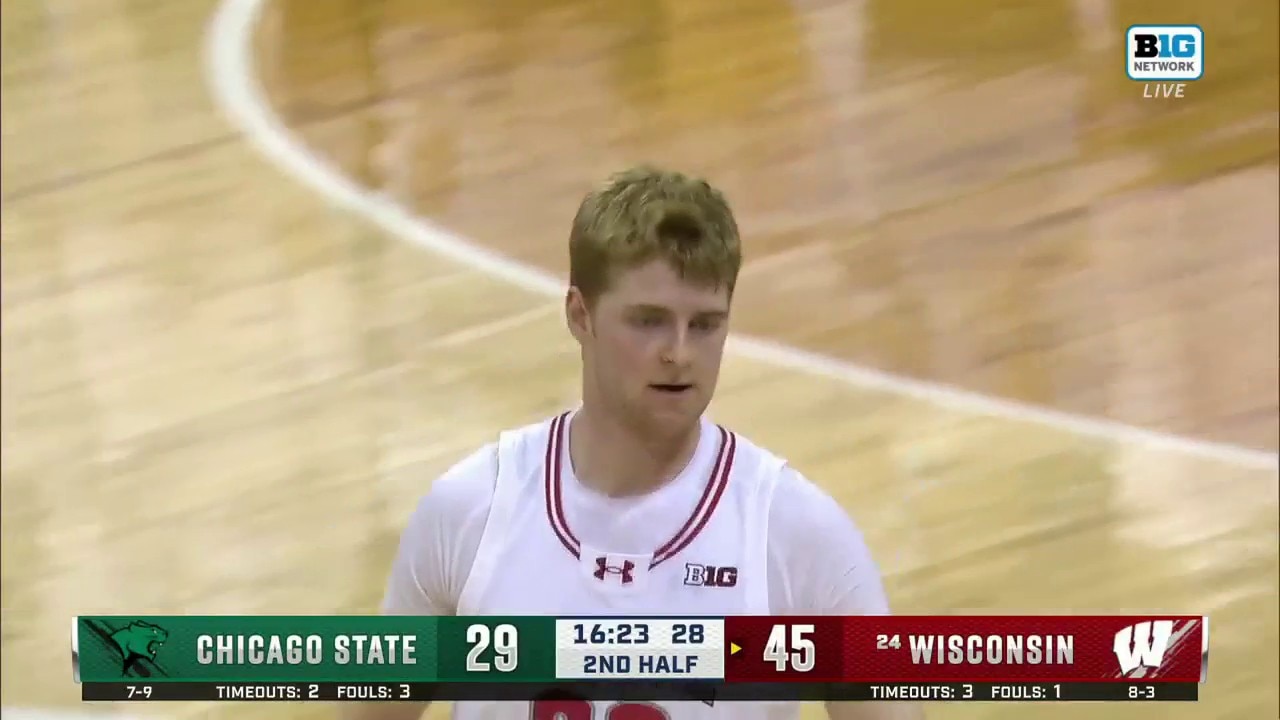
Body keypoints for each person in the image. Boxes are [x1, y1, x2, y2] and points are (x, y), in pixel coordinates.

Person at [342, 167, 919, 720]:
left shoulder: (797, 535)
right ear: (579, 315)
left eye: (705, 324)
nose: (679, 353)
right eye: (648, 321)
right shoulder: (469, 511)